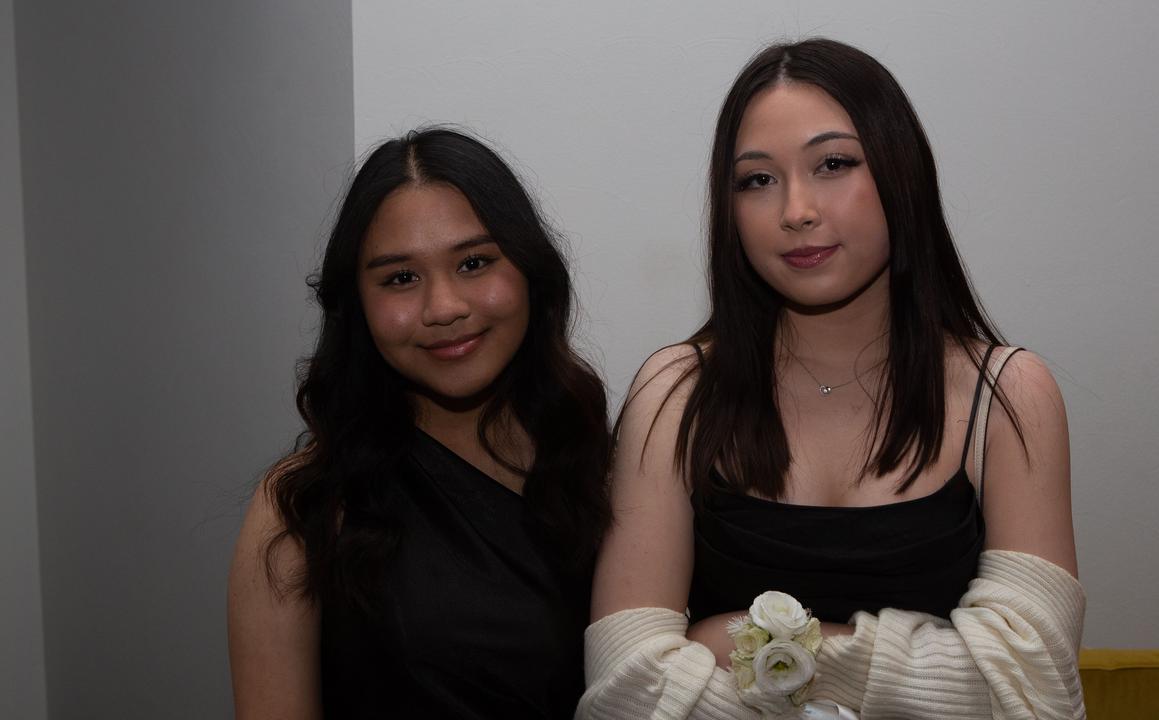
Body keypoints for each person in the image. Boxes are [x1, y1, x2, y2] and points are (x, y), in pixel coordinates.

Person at [579, 39, 1085, 719]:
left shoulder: (1008, 394)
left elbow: (1033, 688)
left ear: (901, 173)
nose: (796, 210)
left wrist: (749, 647)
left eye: (834, 164)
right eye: (757, 179)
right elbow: (627, 693)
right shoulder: (676, 394)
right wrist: (939, 671)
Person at [227, 127, 611, 719]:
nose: (444, 309)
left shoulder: (608, 469)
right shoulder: (302, 509)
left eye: (474, 262)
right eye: (400, 278)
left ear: (531, 272)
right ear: (355, 304)